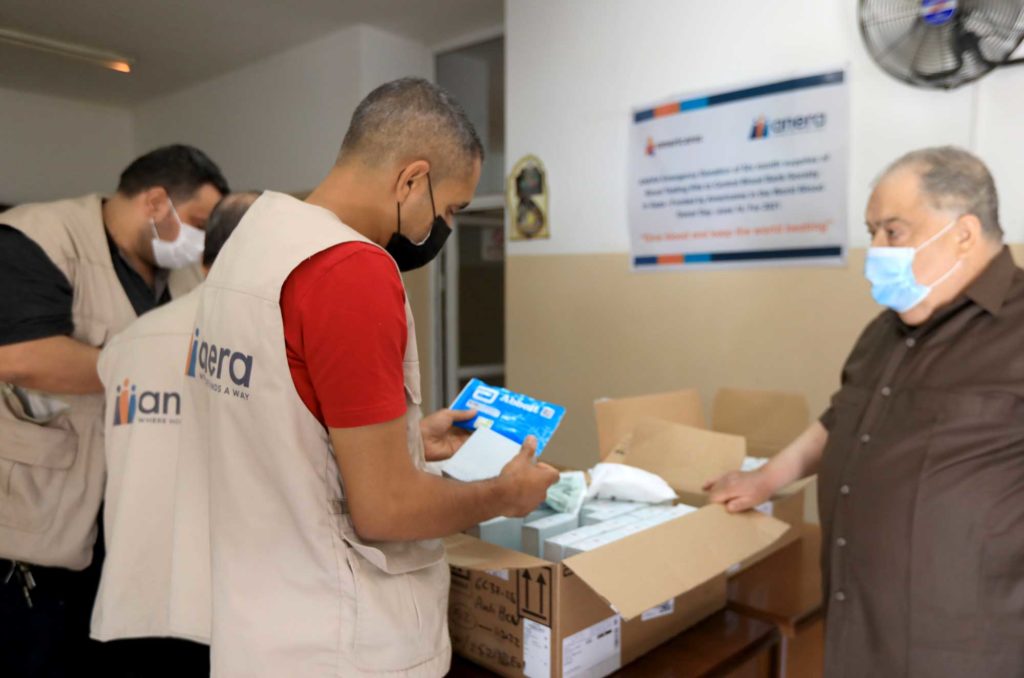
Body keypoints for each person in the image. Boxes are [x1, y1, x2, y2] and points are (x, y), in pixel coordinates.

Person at [186, 77, 558, 677]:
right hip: (340, 641)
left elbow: (284, 419)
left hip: (255, 627)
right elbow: (384, 510)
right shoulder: (350, 270)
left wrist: (411, 439)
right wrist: (502, 496)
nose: (446, 227)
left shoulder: (250, 245)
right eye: (451, 208)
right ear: (412, 179)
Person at [705, 146, 1024, 676]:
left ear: (963, 233)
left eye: (892, 232)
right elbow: (843, 419)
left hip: (967, 647)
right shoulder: (884, 331)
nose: (875, 249)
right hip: (858, 627)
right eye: (872, 231)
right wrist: (766, 479)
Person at [0, 144, 229, 675]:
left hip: (121, 531)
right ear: (155, 202)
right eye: (196, 222)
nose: (199, 240)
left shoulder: (182, 277)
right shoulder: (39, 237)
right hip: (31, 533)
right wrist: (146, 365)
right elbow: (21, 357)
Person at [89, 192, 258, 677]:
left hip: (128, 602)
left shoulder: (130, 340)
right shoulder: (270, 340)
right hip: (224, 615)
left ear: (205, 258)